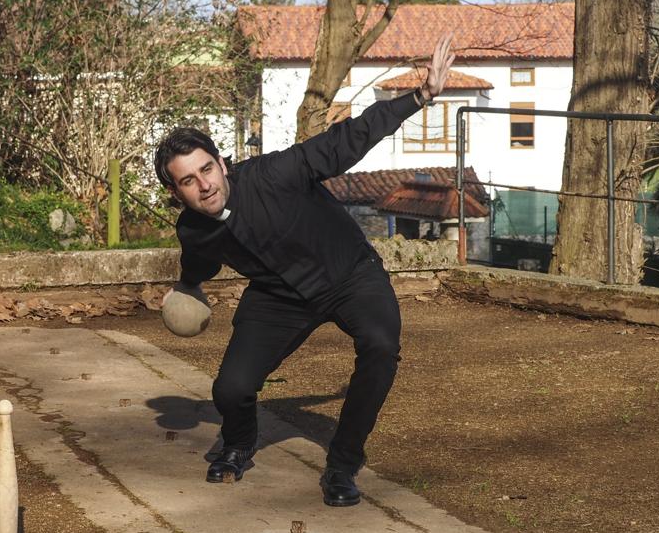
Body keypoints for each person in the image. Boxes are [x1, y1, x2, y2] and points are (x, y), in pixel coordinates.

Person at [154, 36, 455, 507]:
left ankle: (342, 464)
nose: (204, 184)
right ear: (177, 193)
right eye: (188, 180)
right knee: (230, 388)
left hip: (349, 273)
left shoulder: (278, 173)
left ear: (223, 164)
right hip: (278, 297)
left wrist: (421, 96)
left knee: (380, 347)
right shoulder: (194, 229)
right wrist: (188, 287)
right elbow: (197, 265)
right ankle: (237, 443)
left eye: (207, 169)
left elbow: (349, 139)